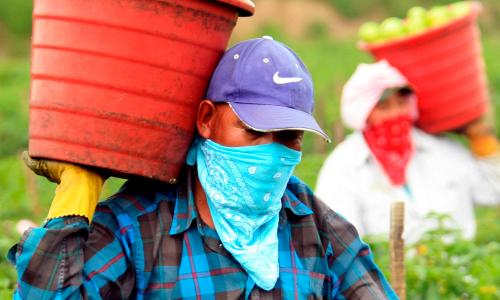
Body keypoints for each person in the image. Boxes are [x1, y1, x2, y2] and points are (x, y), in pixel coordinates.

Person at [9, 38, 397, 299]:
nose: (272, 153)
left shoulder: (312, 223)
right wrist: (78, 189)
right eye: (254, 131)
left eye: (289, 138)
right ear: (207, 119)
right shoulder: (136, 229)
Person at [316, 60, 500, 243]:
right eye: (384, 107)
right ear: (362, 112)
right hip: (386, 272)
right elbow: (340, 243)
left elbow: (493, 192)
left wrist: (482, 141)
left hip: (459, 269)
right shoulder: (343, 166)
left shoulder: (444, 150)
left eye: (402, 103)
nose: (396, 114)